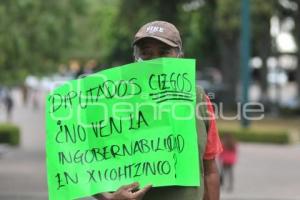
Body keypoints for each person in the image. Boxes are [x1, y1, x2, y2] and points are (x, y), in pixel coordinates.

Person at [94, 21, 223, 200]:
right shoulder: (112, 101)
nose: (155, 61)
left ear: (179, 56)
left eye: (164, 52)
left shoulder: (198, 98)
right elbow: (85, 165)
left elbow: (209, 170)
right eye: (146, 54)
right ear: (135, 59)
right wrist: (109, 197)